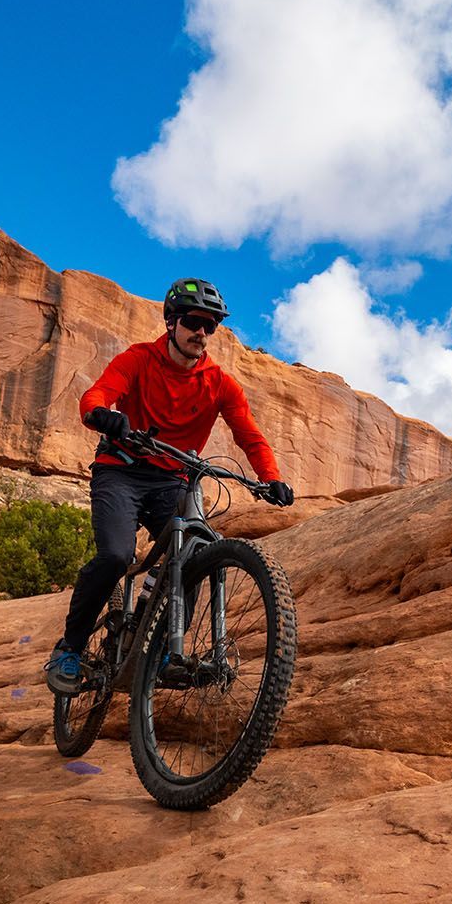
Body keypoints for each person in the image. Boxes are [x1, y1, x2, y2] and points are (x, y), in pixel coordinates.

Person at [44, 277, 294, 695]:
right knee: (115, 555)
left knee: (195, 552)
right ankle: (69, 648)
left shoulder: (220, 383)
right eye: (195, 321)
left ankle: (158, 647)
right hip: (121, 471)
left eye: (210, 325)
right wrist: (104, 415)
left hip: (172, 479)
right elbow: (97, 395)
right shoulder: (139, 359)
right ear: (172, 322)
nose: (202, 332)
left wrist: (270, 479)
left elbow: (249, 435)